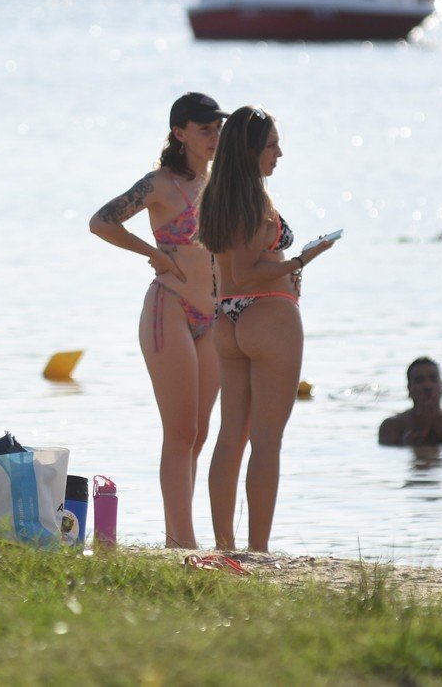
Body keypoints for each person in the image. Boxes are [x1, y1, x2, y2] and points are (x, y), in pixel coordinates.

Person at [89, 91, 226, 548]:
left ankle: (179, 537)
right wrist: (153, 254)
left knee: (199, 434)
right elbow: (101, 222)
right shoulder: (160, 184)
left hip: (213, 316)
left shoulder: (221, 181)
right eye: (205, 129)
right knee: (180, 431)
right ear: (180, 133)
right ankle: (181, 542)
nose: (214, 137)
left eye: (218, 129)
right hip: (170, 309)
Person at [198, 105, 336, 551]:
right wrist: (299, 261)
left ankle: (224, 545)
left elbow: (230, 275)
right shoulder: (256, 200)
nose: (279, 153)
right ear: (252, 150)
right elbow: (246, 272)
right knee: (266, 442)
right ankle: (258, 550)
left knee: (230, 437)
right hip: (268, 318)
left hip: (228, 319)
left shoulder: (216, 196)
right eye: (272, 145)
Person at [378, 357, 442, 446]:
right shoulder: (392, 425)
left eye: (433, 379)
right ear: (409, 389)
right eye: (419, 380)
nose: (427, 386)